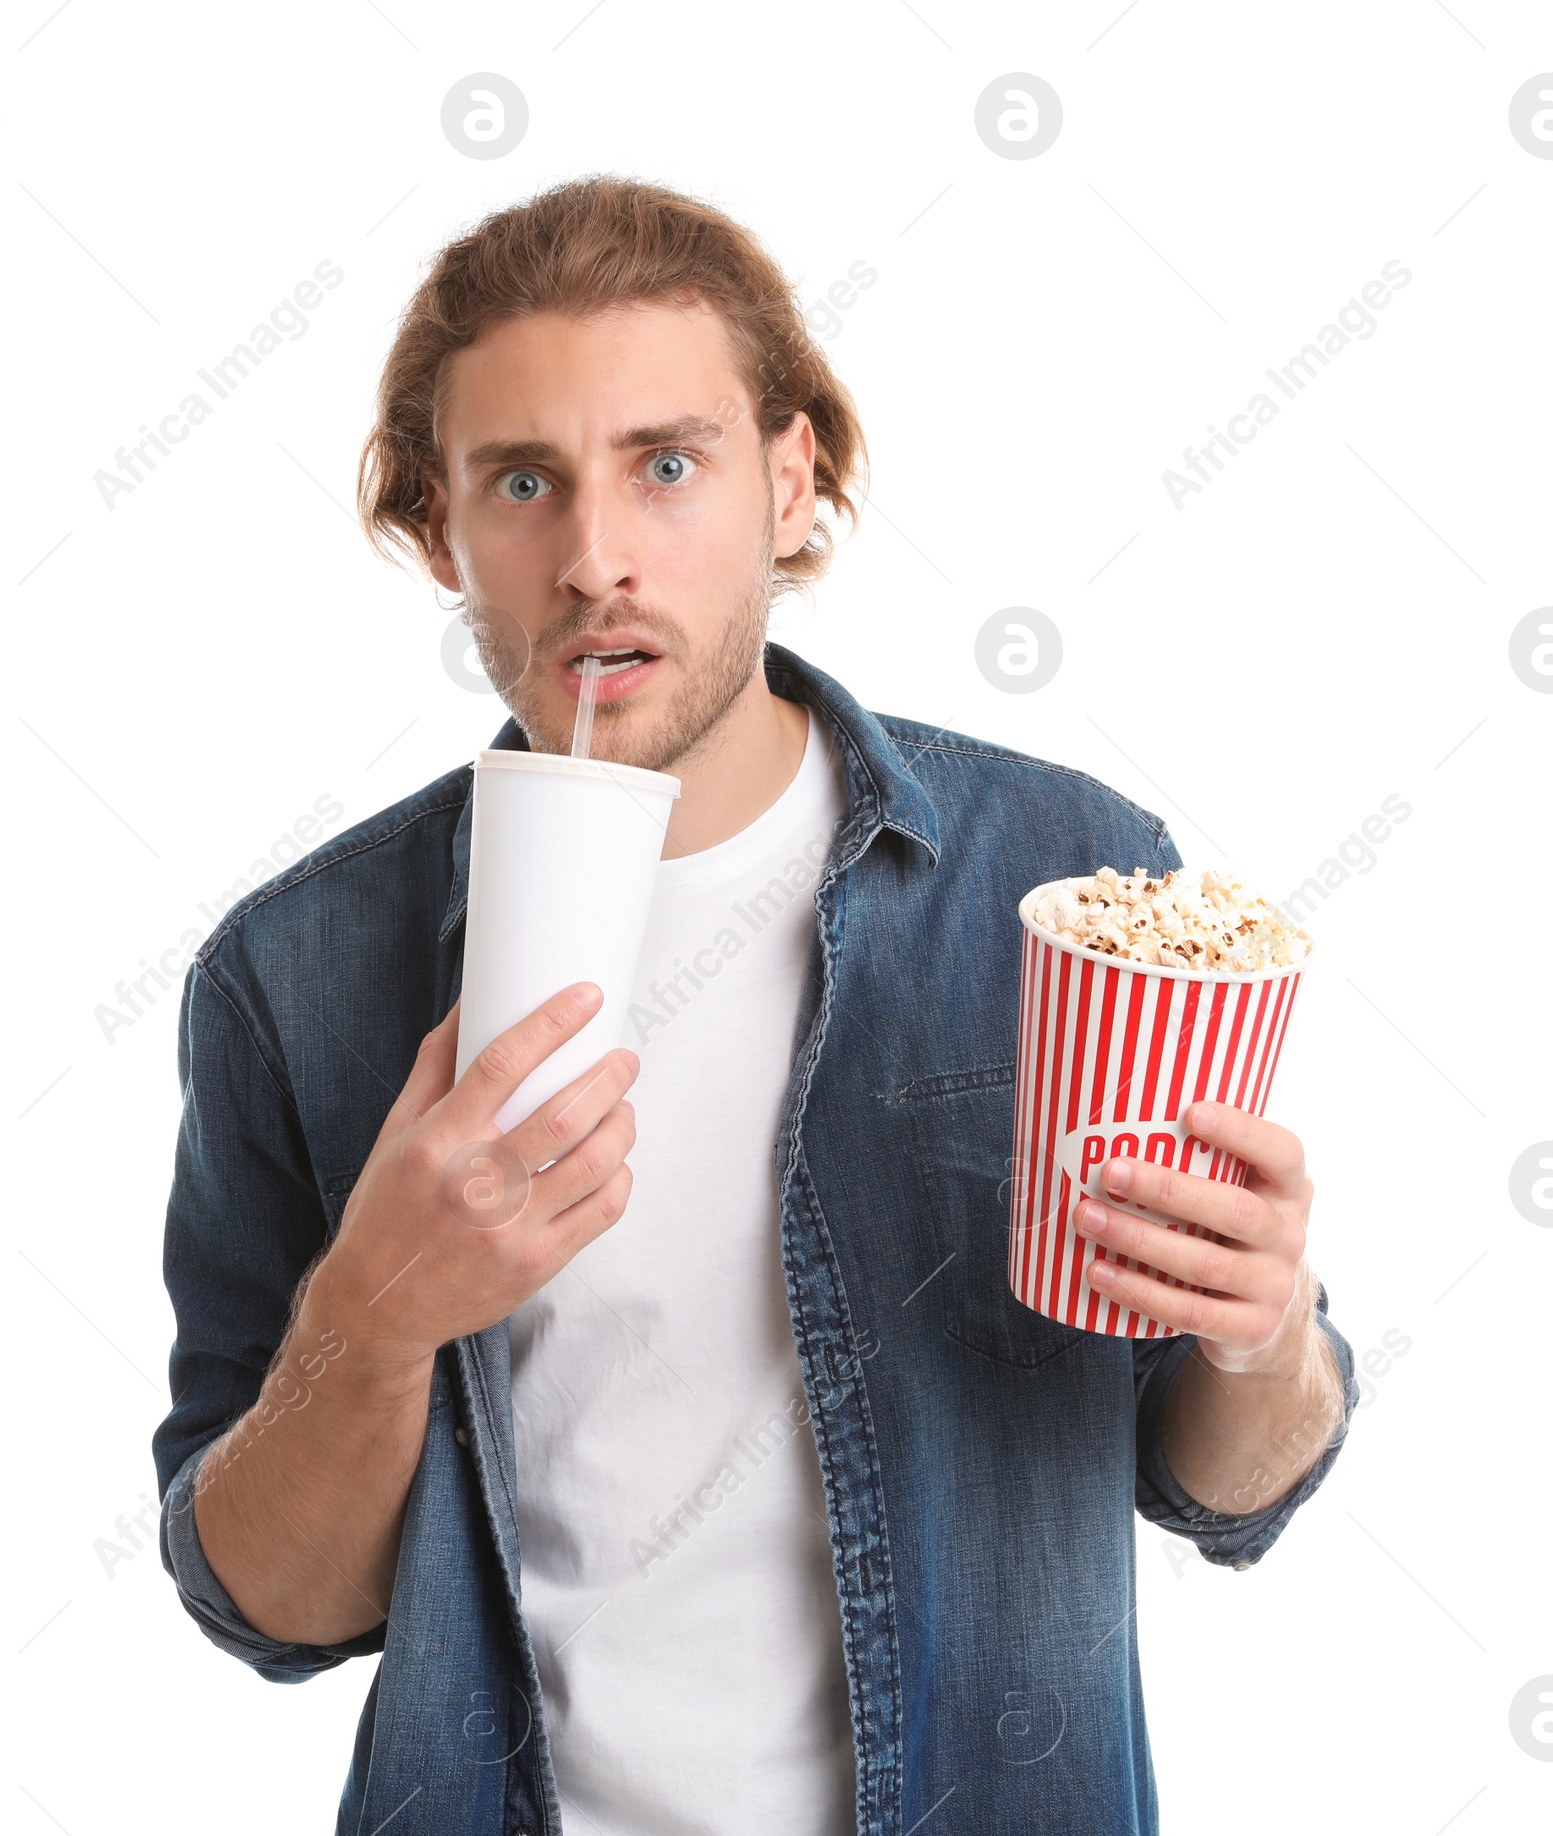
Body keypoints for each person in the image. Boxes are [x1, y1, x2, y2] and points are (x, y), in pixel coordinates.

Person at [153, 174, 1357, 1836]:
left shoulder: (1077, 883)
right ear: (442, 531)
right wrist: (370, 1322)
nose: (595, 559)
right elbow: (266, 1604)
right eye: (523, 483)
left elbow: (1224, 1487)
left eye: (667, 465)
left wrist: (1262, 1328)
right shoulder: (297, 977)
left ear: (793, 482)